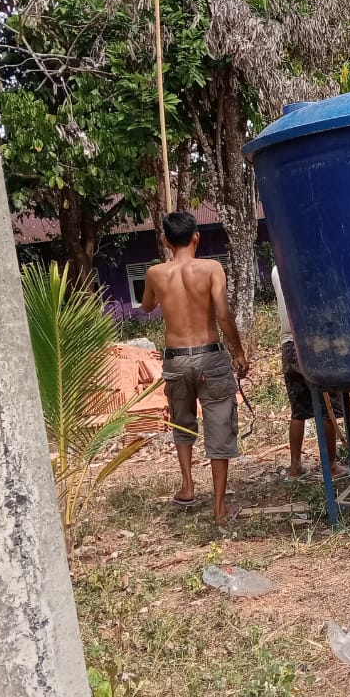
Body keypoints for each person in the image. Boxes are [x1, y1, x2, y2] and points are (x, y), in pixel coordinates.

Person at [140, 211, 248, 524]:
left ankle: (187, 487)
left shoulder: (155, 273)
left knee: (182, 422)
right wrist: (239, 351)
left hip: (175, 358)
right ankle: (218, 508)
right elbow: (223, 315)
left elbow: (147, 306)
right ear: (196, 236)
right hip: (210, 356)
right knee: (219, 424)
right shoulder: (212, 268)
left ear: (165, 240)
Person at [271, 264, 342, 479]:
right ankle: (331, 467)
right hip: (314, 345)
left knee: (298, 411)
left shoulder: (275, 269)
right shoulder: (309, 264)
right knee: (329, 410)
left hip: (289, 347)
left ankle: (295, 467)